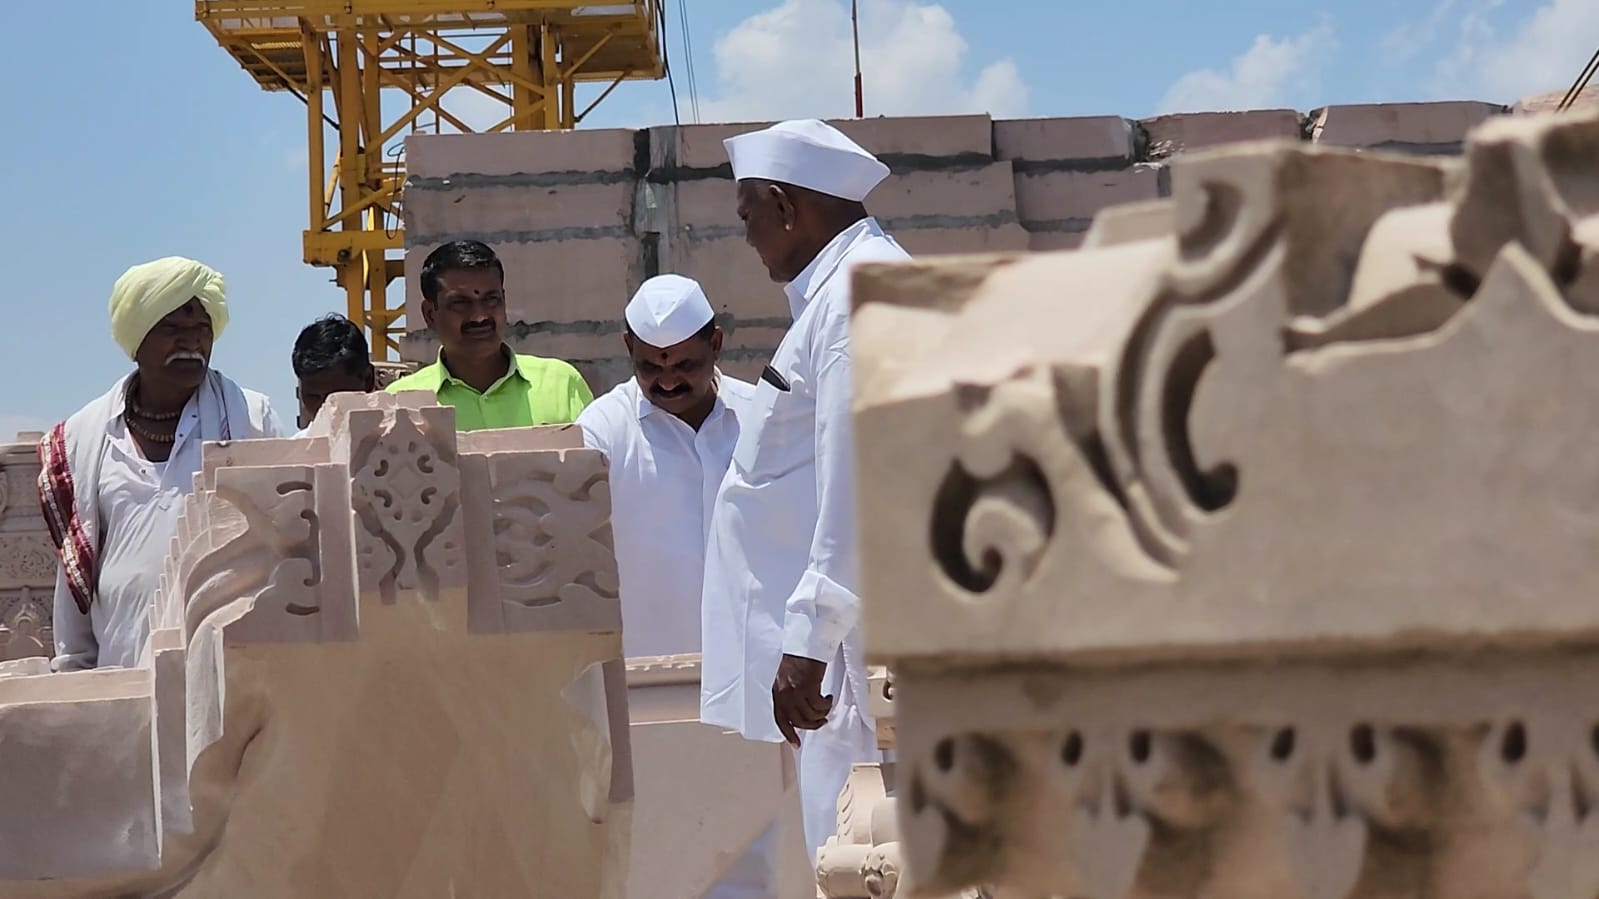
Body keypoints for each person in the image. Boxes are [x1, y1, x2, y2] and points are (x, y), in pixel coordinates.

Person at [700, 119, 912, 859]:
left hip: (854, 654)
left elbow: (857, 477)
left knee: (861, 851)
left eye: (749, 215)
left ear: (785, 207)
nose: (748, 237)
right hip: (849, 642)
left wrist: (809, 642)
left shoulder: (858, 295)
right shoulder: (851, 288)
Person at [38, 257, 284, 671]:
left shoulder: (252, 419)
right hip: (121, 675)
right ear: (137, 340)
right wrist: (74, 670)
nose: (191, 342)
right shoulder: (85, 437)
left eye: (201, 329)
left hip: (233, 677)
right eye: (172, 329)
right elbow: (77, 571)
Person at [577, 274, 754, 659]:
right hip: (647, 670)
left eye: (685, 365)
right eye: (652, 368)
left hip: (753, 666)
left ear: (716, 344)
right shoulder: (603, 429)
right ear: (629, 347)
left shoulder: (761, 418)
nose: (669, 382)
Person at [387, 240, 593, 429]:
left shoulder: (561, 384)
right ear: (430, 315)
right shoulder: (400, 405)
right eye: (461, 303)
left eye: (491, 300)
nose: (479, 317)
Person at [291, 314, 376, 431]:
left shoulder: (398, 439)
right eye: (313, 397)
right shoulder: (298, 443)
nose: (324, 408)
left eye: (334, 397)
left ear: (368, 379)